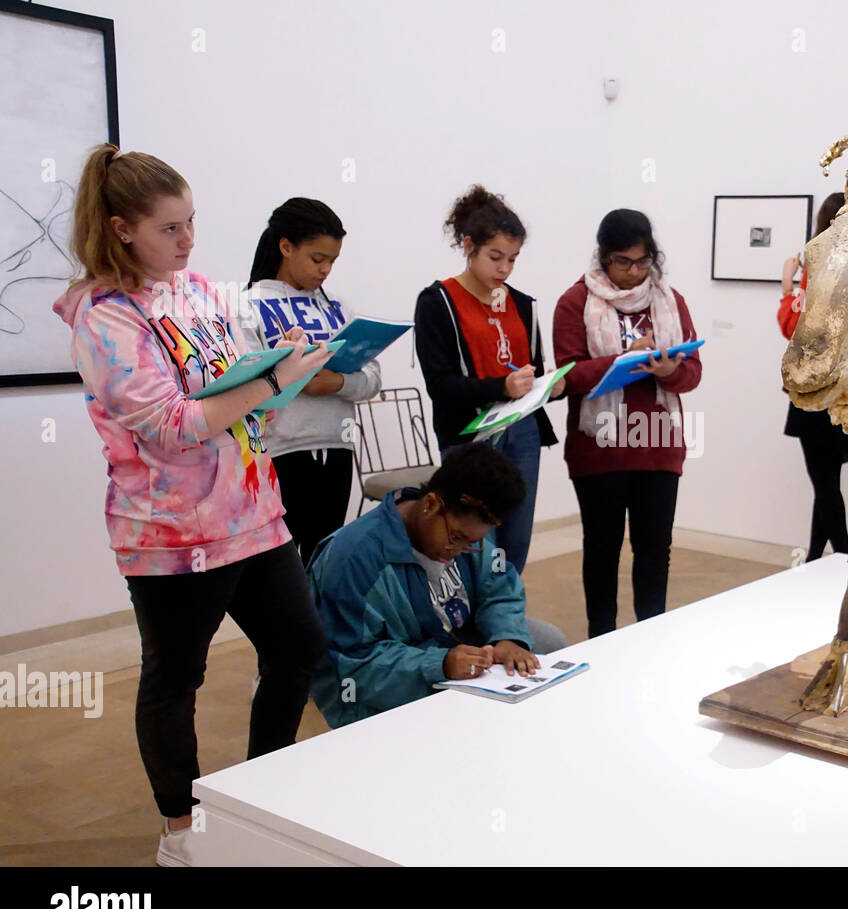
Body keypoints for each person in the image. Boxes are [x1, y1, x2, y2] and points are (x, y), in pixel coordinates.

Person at [53, 144, 332, 866]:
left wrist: (281, 360)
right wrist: (271, 387)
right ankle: (181, 829)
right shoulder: (104, 318)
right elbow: (174, 423)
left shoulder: (200, 289)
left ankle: (262, 790)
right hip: (173, 534)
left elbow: (229, 382)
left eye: (192, 223)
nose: (188, 241)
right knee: (176, 678)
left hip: (253, 512)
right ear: (120, 230)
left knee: (298, 648)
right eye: (170, 229)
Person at [307, 442, 567, 727]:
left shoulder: (469, 529)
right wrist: (439, 666)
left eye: (472, 543)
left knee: (546, 640)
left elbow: (500, 589)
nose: (459, 550)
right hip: (381, 688)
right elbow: (350, 666)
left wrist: (507, 637)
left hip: (451, 651)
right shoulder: (352, 557)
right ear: (431, 504)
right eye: (456, 538)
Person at [552, 209, 702, 638]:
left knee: (655, 550)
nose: (634, 272)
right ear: (603, 258)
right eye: (623, 262)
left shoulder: (671, 301)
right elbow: (567, 377)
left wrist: (667, 370)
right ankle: (602, 640)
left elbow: (692, 375)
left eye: (642, 262)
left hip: (658, 445)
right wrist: (625, 360)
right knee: (602, 549)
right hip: (599, 449)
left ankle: (649, 638)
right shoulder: (575, 302)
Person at [413, 185, 563, 574]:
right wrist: (501, 387)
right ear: (468, 246)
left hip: (523, 429)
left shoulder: (522, 304)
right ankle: (468, 625)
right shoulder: (438, 302)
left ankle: (506, 621)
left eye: (513, 259)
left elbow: (533, 369)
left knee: (515, 538)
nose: (505, 269)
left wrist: (550, 385)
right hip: (471, 437)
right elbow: (440, 385)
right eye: (495, 257)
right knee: (469, 541)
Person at [242, 198, 382, 566]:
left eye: (332, 261)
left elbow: (373, 378)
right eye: (317, 259)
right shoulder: (248, 305)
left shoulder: (339, 307)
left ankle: (323, 626)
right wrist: (292, 374)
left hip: (336, 445)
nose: (326, 270)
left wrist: (335, 383)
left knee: (325, 561)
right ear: (286, 247)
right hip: (279, 452)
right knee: (283, 568)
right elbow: (243, 389)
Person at [777, 192, 848, 559]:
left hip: (821, 390)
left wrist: (787, 286)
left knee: (825, 483)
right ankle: (817, 558)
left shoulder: (821, 271)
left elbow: (793, 326)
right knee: (828, 481)